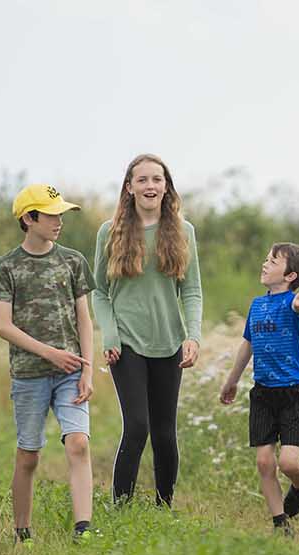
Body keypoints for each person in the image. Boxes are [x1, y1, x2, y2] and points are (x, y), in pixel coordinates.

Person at [0, 184, 98, 544]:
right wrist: (49, 353)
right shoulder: (6, 267)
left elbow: (85, 320)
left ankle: (83, 529)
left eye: (61, 214)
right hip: (29, 376)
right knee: (29, 455)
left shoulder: (73, 261)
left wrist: (87, 370)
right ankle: (22, 531)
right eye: (51, 215)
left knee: (78, 443)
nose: (59, 221)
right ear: (28, 219)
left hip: (71, 373)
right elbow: (4, 327)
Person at [91, 154, 202, 508]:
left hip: (169, 342)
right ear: (129, 187)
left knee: (165, 435)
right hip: (127, 345)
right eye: (142, 180)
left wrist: (193, 336)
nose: (150, 186)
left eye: (157, 179)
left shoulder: (185, 232)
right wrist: (109, 335)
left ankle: (163, 507)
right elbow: (99, 291)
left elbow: (192, 290)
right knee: (137, 427)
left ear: (166, 186)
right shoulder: (110, 232)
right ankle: (120, 509)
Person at [219, 242, 299, 535]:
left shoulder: (292, 303)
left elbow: (296, 306)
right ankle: (280, 523)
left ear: (289, 276)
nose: (264, 265)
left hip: (292, 393)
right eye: (265, 259)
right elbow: (248, 344)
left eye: (273, 262)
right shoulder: (257, 305)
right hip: (262, 394)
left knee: (289, 464)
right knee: (264, 462)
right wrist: (232, 380)